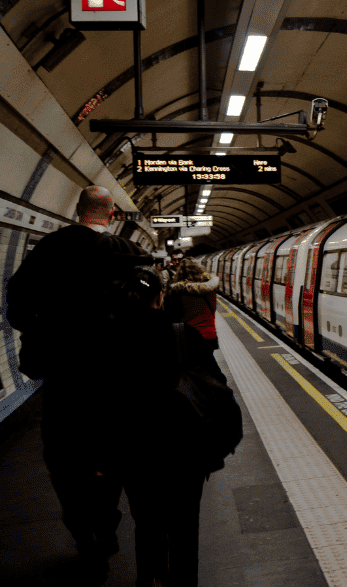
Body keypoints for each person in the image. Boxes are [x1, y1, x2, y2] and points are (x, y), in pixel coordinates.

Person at [5, 185, 150, 581]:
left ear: (77, 208)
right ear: (113, 213)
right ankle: (105, 526)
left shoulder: (48, 250)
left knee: (65, 461)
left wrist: (45, 329)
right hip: (117, 385)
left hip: (65, 383)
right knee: (111, 457)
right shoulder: (130, 255)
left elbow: (16, 306)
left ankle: (85, 536)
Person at [102, 265, 228, 587]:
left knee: (147, 525)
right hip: (184, 452)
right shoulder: (183, 334)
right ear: (160, 297)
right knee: (185, 529)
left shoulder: (106, 339)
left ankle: (152, 580)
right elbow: (216, 389)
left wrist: (101, 459)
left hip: (134, 455)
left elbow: (96, 404)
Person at [166, 257, 220, 351]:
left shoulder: (177, 291)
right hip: (208, 333)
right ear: (199, 269)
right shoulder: (208, 288)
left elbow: (174, 315)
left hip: (186, 335)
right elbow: (212, 309)